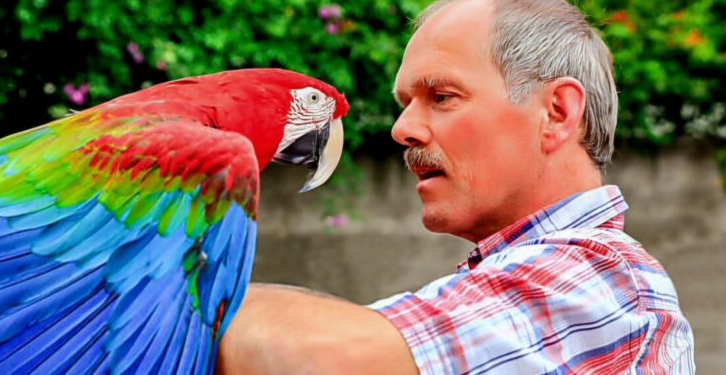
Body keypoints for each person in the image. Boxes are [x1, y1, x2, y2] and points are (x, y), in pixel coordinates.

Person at [217, 0, 696, 373]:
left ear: (557, 114)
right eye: (405, 103)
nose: (401, 128)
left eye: (442, 97)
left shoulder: (598, 282)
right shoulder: (512, 285)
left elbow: (294, 356)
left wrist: (167, 286)